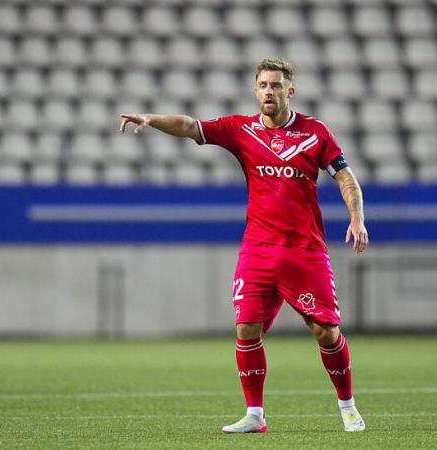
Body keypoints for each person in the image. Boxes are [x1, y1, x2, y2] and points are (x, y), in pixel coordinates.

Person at [119, 58, 368, 432]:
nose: (270, 91)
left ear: (290, 91)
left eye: (277, 85)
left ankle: (347, 406)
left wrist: (357, 217)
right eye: (264, 85)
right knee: (246, 328)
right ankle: (255, 415)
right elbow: (191, 126)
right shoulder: (241, 130)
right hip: (258, 249)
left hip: (305, 250)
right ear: (256, 90)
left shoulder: (315, 133)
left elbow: (345, 178)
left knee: (325, 331)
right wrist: (151, 119)